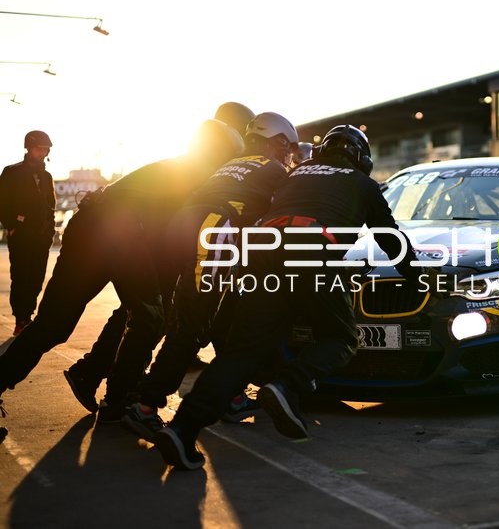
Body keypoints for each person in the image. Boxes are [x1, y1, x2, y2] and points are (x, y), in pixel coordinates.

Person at [153, 124, 421, 470]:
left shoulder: (294, 174)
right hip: (311, 250)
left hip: (262, 253)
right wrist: (417, 280)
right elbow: (391, 240)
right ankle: (287, 387)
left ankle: (181, 429)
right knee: (341, 337)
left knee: (241, 353)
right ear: (361, 158)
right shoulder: (362, 184)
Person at [0, 119, 245, 434]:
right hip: (120, 232)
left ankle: (104, 393)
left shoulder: (173, 167)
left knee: (52, 325)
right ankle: (120, 402)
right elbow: (170, 241)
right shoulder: (199, 179)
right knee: (151, 316)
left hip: (90, 226)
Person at [63, 102, 255, 414]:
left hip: (148, 240)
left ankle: (95, 373)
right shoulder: (202, 167)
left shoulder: (195, 161)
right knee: (150, 316)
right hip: (148, 242)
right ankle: (112, 388)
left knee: (140, 315)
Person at [121, 112, 299, 441]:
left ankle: (231, 396)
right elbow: (294, 207)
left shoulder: (233, 164)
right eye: (288, 147)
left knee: (225, 321)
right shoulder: (272, 169)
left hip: (189, 234)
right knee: (190, 328)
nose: (289, 154)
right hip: (212, 237)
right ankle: (144, 406)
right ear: (276, 141)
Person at [0, 130, 57, 336]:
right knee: (21, 277)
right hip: (21, 236)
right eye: (40, 149)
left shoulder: (47, 176)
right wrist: (12, 226)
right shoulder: (11, 172)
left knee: (36, 278)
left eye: (46, 150)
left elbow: (51, 206)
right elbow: (2, 202)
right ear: (29, 148)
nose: (43, 153)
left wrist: (50, 231)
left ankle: (28, 315)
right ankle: (21, 318)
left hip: (41, 237)